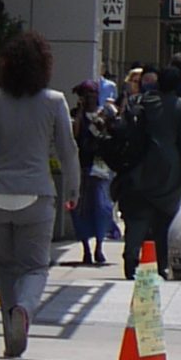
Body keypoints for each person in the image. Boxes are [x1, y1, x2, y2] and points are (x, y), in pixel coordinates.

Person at [0, 30, 80, 358]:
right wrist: (73, 189)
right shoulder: (54, 101)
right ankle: (24, 310)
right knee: (35, 267)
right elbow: (68, 150)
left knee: (4, 267)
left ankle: (10, 330)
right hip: (37, 193)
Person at [112, 62, 181, 281]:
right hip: (169, 171)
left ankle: (131, 256)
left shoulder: (139, 102)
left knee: (137, 216)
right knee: (165, 219)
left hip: (138, 165)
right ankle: (161, 263)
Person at [70, 79, 122, 271]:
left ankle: (99, 245)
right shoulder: (77, 116)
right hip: (83, 167)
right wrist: (80, 113)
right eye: (87, 95)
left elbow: (115, 132)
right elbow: (75, 136)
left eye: (94, 94)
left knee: (102, 207)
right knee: (81, 209)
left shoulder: (105, 113)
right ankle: (86, 248)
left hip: (102, 168)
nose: (91, 98)